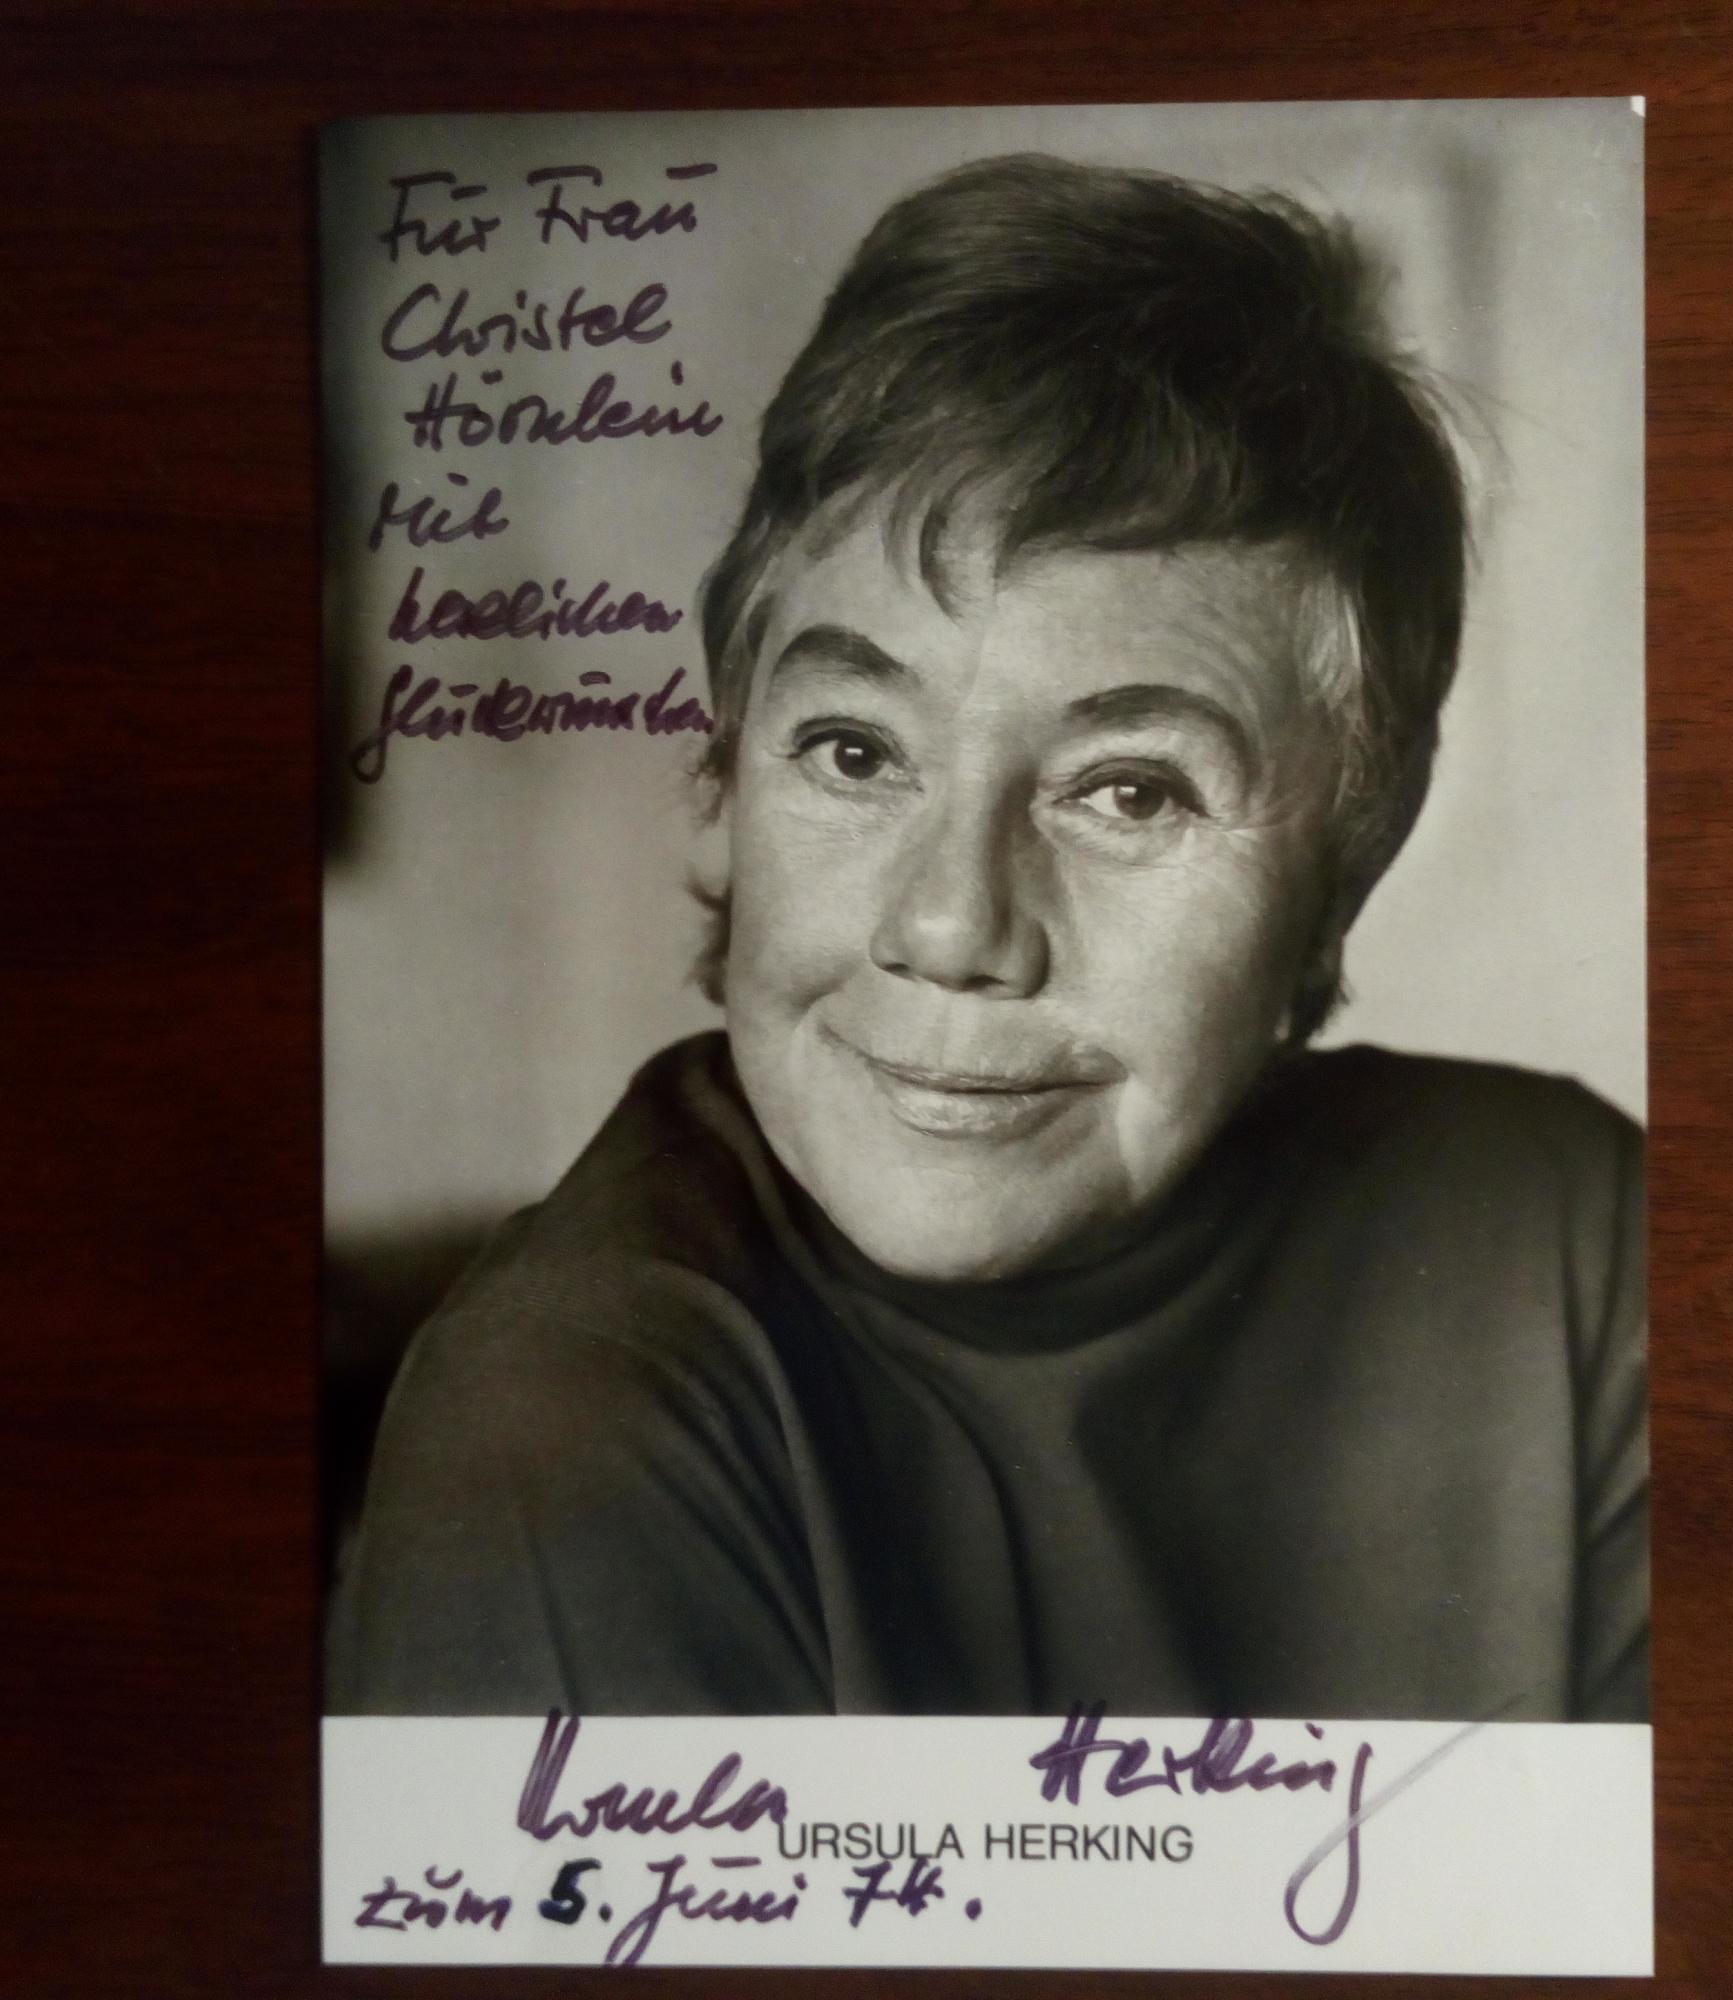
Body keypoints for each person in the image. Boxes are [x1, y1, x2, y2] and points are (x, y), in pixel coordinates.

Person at [328, 153, 1648, 1722]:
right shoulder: (567, 1423)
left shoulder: (1564, 1241)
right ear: (720, 786)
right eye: (855, 753)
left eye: (1131, 790)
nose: (953, 926)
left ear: (1341, 873)